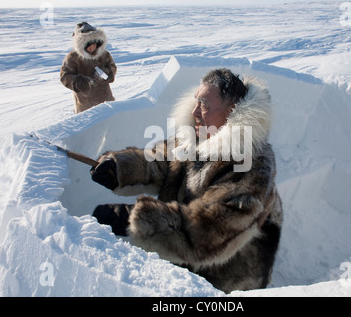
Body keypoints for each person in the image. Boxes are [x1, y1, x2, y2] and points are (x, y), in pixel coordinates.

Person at [90, 68, 283, 293]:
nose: (195, 112)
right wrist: (120, 167)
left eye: (205, 105)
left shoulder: (253, 163)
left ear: (232, 112)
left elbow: (212, 230)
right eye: (196, 102)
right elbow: (159, 159)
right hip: (182, 260)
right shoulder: (199, 134)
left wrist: (133, 218)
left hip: (225, 277)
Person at [60, 22, 117, 114]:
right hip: (84, 106)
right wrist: (80, 81)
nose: (92, 47)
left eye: (94, 44)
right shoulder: (72, 57)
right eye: (89, 45)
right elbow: (64, 76)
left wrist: (105, 73)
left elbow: (112, 68)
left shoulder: (104, 55)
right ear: (81, 45)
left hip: (106, 101)